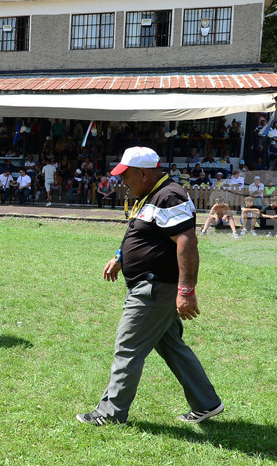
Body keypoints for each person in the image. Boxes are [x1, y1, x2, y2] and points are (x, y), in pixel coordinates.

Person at [78, 146, 222, 426]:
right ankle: (207, 403)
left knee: (128, 346)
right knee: (171, 345)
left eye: (126, 176)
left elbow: (186, 242)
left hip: (155, 288)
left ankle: (111, 413)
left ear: (143, 173)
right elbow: (144, 234)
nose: (123, 182)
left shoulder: (169, 195)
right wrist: (121, 257)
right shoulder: (151, 195)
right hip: (153, 286)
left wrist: (186, 291)